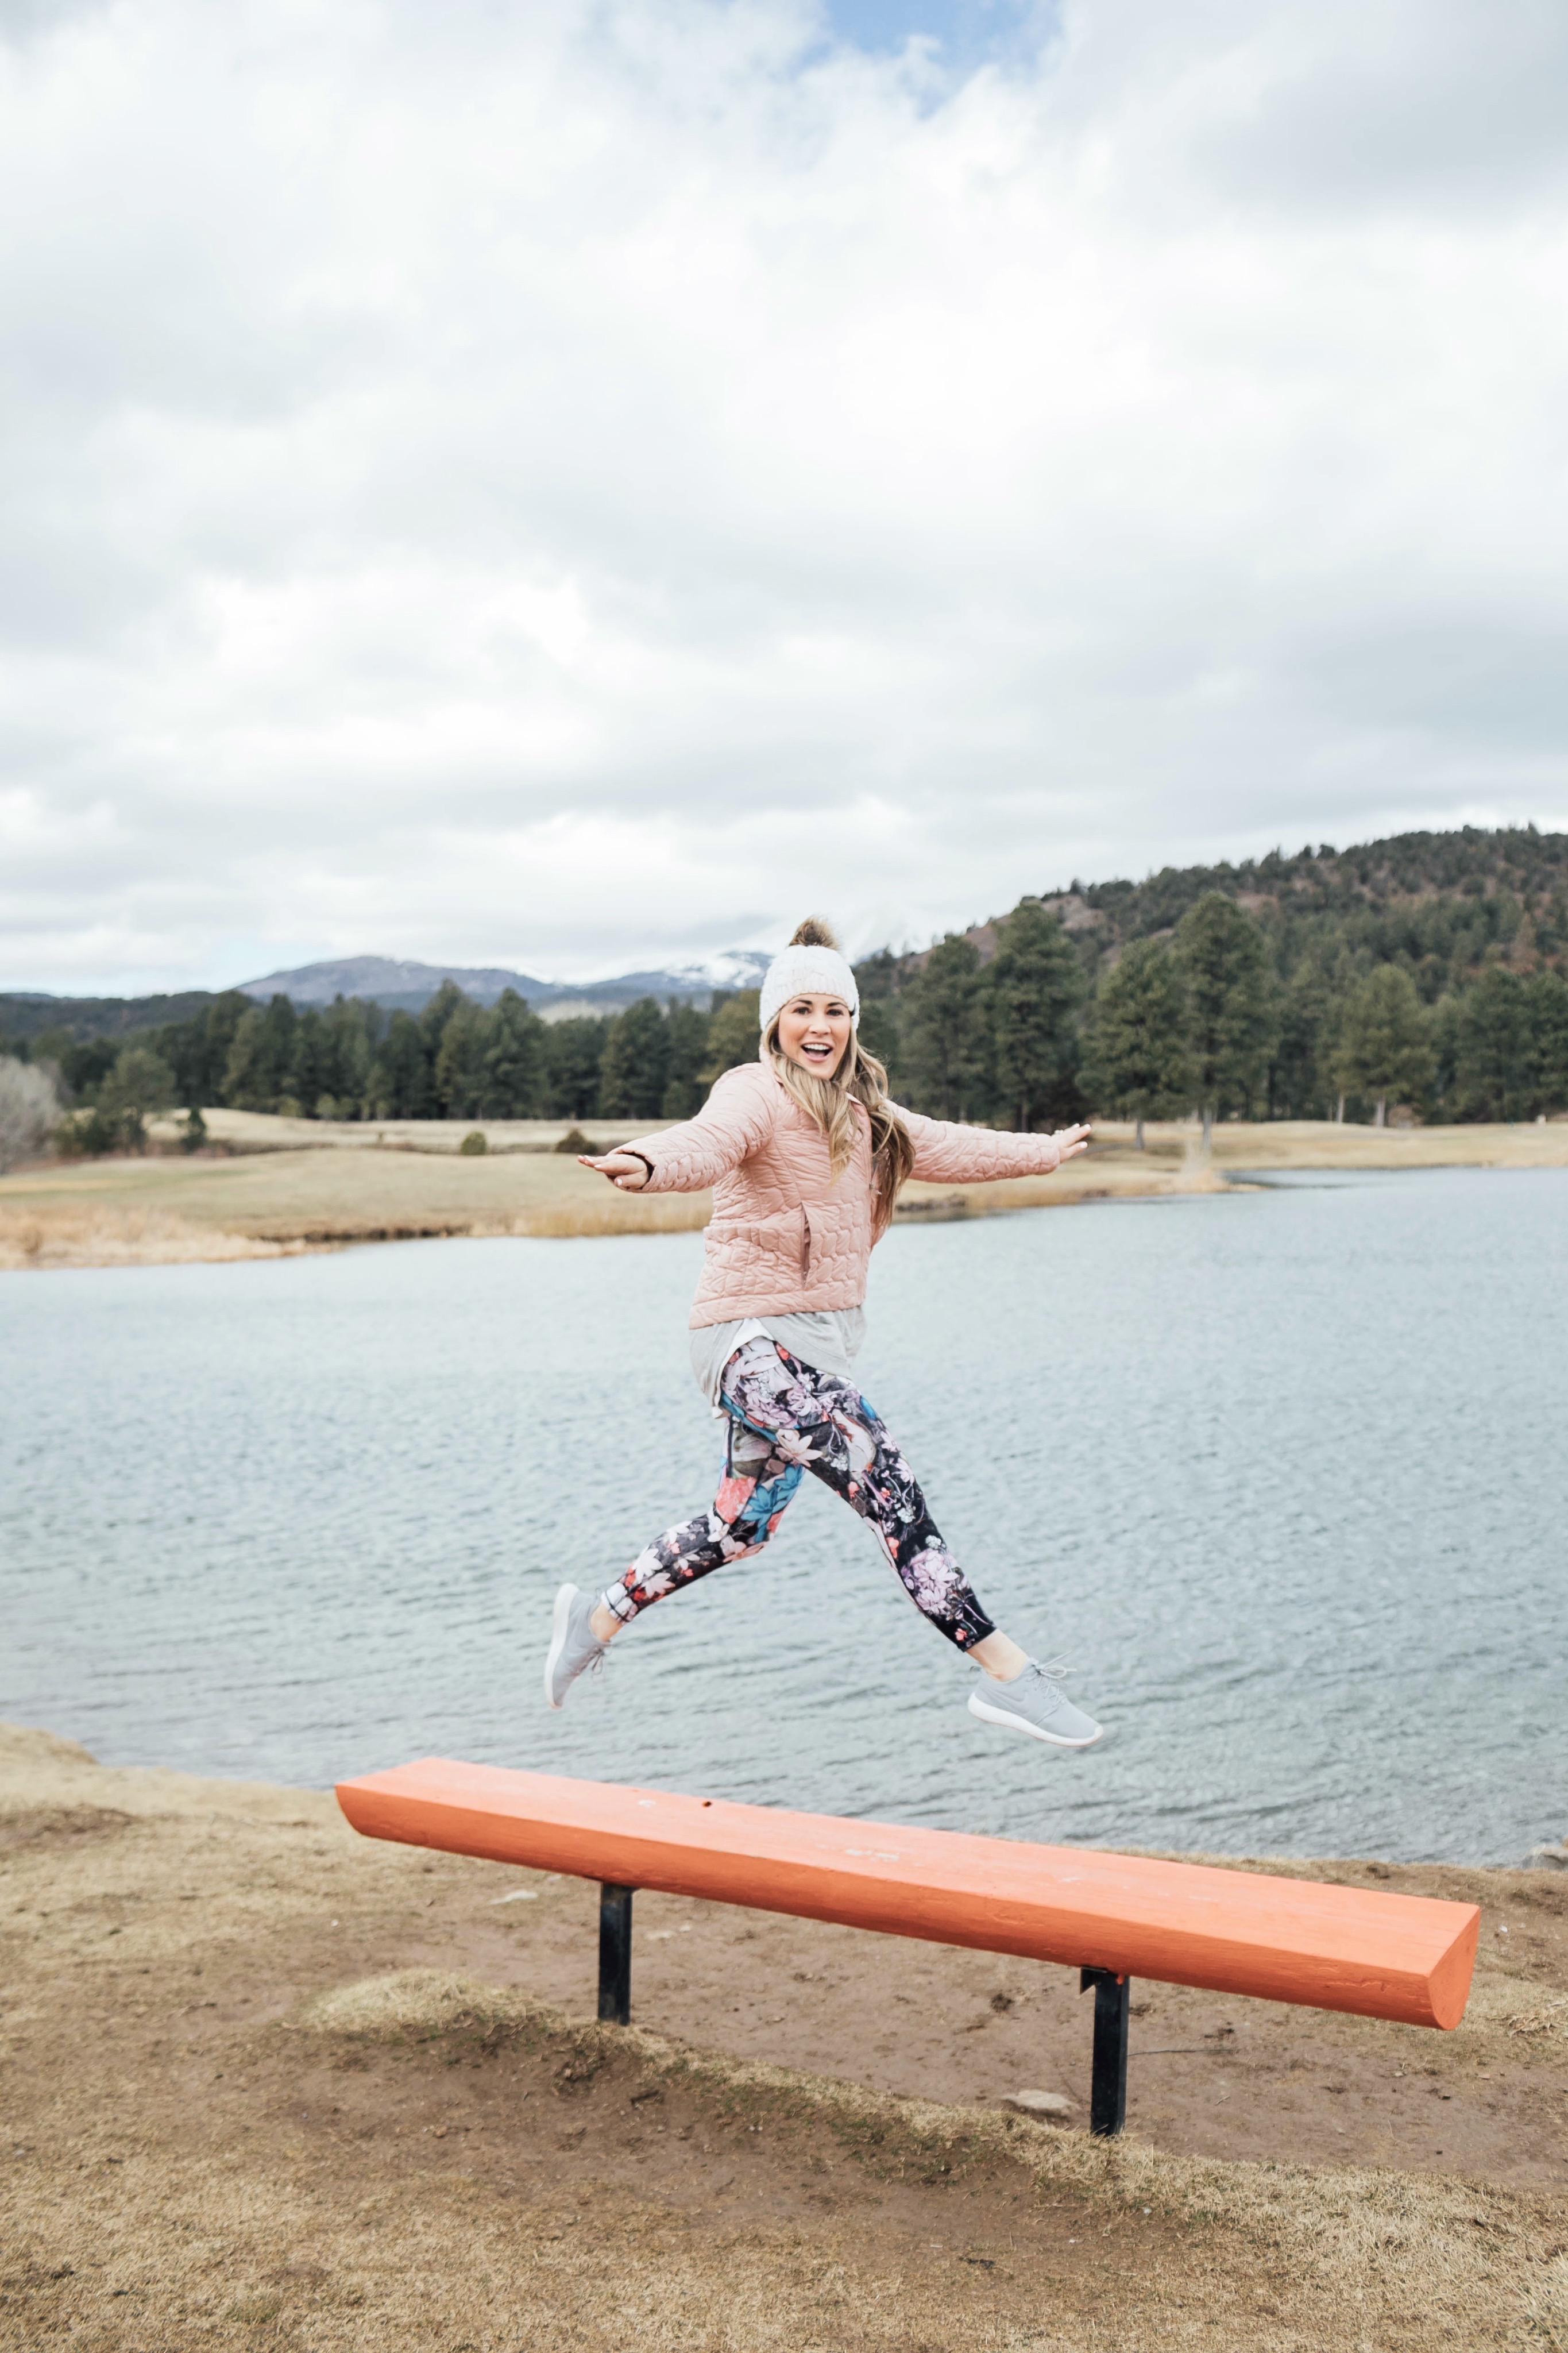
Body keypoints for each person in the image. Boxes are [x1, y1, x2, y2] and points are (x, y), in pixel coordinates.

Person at [544, 919, 1104, 1749]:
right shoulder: (752, 1091)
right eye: (801, 1009)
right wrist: (647, 1163)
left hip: (809, 1348)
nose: (820, 1027)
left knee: (740, 1528)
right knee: (885, 1482)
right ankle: (1009, 1677)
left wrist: (1041, 1153)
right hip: (749, 1341)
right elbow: (706, 1143)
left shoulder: (863, 1114)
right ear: (775, 1021)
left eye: (836, 1011)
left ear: (852, 1025)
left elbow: (947, 1144)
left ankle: (592, 1625)